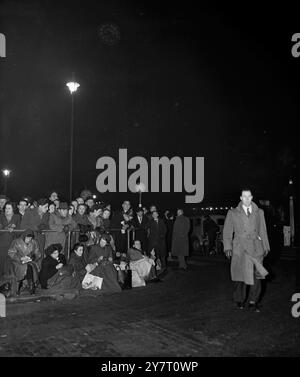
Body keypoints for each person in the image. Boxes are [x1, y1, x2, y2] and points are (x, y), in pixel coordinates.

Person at [223, 189, 270, 312]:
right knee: (240, 276)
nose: (247, 199)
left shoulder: (259, 212)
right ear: (240, 198)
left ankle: (253, 301)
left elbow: (263, 231)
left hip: (256, 247)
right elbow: (227, 231)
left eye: (249, 196)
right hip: (240, 247)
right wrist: (227, 247)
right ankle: (239, 300)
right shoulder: (232, 213)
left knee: (257, 276)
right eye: (244, 196)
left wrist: (266, 246)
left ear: (252, 197)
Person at [8, 229, 42, 295]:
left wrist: (33, 257)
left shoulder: (34, 242)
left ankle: (31, 286)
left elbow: (38, 254)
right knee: (25, 268)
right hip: (18, 262)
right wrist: (20, 258)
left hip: (30, 261)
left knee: (31, 267)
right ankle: (20, 286)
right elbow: (11, 253)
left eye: (30, 238)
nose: (29, 239)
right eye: (27, 238)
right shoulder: (16, 242)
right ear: (24, 237)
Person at [0, 202, 21, 279]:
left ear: (13, 209)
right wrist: (6, 228)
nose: (7, 210)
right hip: (1, 243)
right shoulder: (1, 216)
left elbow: (19, 231)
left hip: (12, 243)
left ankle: (8, 282)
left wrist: (14, 229)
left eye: (9, 208)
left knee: (10, 262)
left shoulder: (17, 217)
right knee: (1, 261)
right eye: (6, 208)